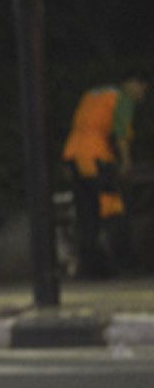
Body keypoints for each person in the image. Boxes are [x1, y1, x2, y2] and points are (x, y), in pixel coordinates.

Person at [61, 73, 151, 278]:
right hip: (95, 159)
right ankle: (126, 264)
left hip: (74, 157)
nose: (141, 97)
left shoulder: (93, 94)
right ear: (133, 83)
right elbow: (121, 133)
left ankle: (91, 269)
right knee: (114, 208)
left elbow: (81, 125)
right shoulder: (122, 98)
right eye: (142, 90)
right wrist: (126, 162)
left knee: (87, 214)